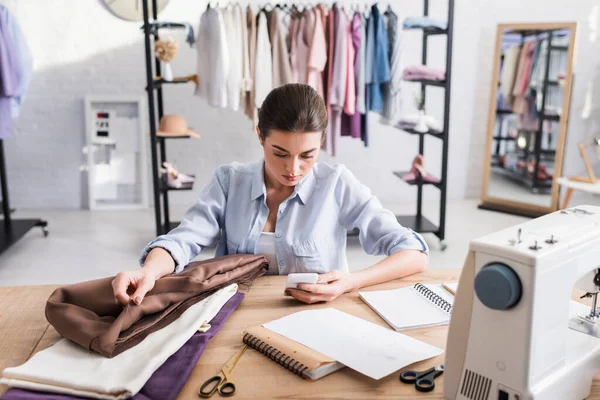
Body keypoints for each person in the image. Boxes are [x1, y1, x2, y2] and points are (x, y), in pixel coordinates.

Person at [112, 84, 428, 306]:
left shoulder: (337, 184)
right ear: (260, 136)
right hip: (233, 313)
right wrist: (148, 271)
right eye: (279, 152)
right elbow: (183, 240)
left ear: (321, 144)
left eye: (308, 154)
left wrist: (351, 281)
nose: (293, 168)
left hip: (320, 316)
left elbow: (414, 253)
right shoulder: (229, 181)